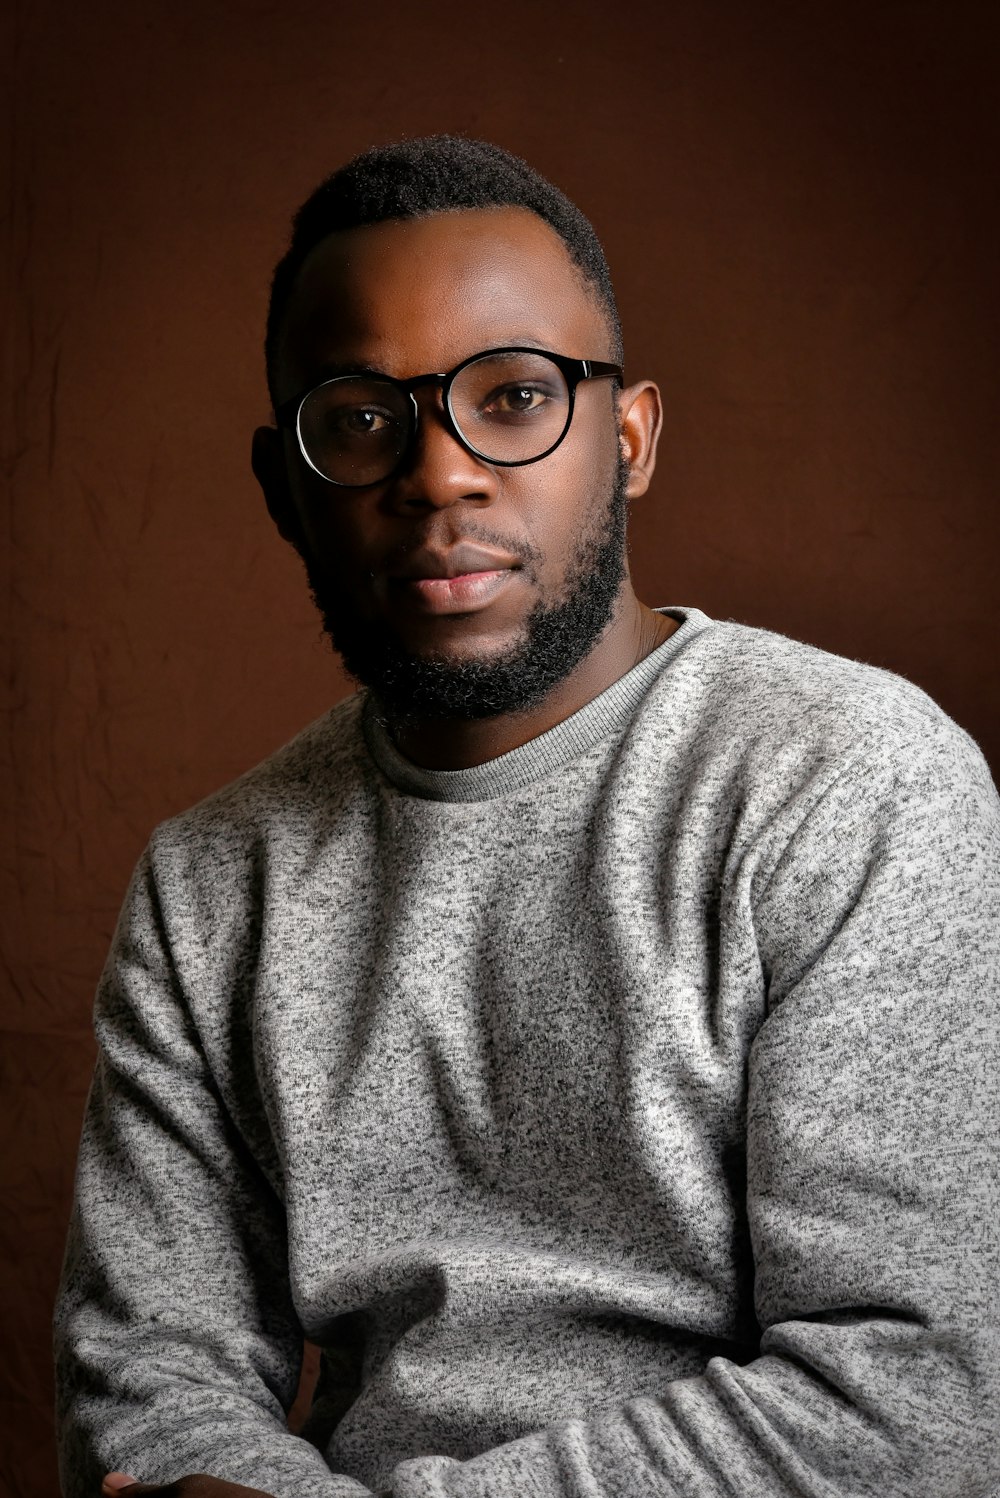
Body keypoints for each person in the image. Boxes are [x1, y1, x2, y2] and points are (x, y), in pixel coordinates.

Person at [54, 136, 1000, 1498]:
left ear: (631, 437)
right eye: (363, 418)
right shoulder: (212, 883)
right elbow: (144, 1384)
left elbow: (913, 1404)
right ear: (284, 489)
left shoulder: (848, 779)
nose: (439, 474)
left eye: (512, 397)